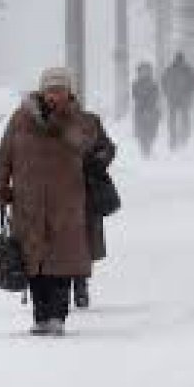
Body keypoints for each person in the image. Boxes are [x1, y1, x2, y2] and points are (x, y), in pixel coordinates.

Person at [0, 67, 96, 336]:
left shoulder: (79, 119)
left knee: (61, 262)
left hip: (65, 204)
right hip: (28, 203)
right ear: (41, 91)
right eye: (50, 90)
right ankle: (40, 315)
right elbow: (4, 155)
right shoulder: (21, 118)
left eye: (60, 90)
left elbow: (85, 144)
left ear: (69, 92)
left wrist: (64, 118)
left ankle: (57, 315)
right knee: (33, 262)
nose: (54, 95)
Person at [74, 112, 117, 309]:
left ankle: (80, 284)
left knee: (83, 238)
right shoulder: (41, 121)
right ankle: (60, 286)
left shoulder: (88, 120)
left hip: (86, 188)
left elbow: (107, 147)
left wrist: (98, 160)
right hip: (53, 191)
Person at [161, 52, 194, 150]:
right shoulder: (187, 70)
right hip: (178, 98)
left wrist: (167, 93)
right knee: (181, 118)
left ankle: (178, 137)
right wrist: (190, 93)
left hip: (176, 98)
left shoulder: (170, 69)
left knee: (178, 118)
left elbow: (163, 82)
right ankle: (178, 137)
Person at [131, 62, 161, 158]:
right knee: (141, 130)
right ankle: (145, 148)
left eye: (146, 70)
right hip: (140, 109)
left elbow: (156, 96)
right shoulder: (136, 84)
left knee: (152, 130)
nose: (144, 73)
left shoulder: (153, 84)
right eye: (142, 71)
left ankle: (148, 146)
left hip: (151, 109)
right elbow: (135, 95)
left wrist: (150, 104)